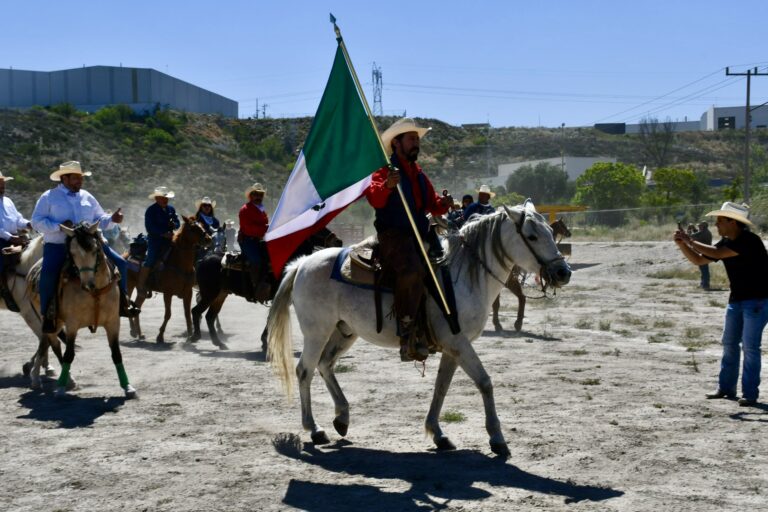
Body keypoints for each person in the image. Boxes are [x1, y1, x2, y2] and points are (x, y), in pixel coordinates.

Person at [364, 117, 452, 362]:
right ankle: (406, 328)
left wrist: (443, 204)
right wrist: (388, 186)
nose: (416, 143)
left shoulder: (419, 173)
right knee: (412, 270)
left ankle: (433, 328)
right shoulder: (384, 170)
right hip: (393, 235)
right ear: (396, 143)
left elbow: (431, 204)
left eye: (417, 139)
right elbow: (375, 198)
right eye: (411, 139)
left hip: (420, 233)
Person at [674, 202, 768, 407]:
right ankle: (726, 388)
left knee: (750, 347)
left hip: (757, 301)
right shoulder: (726, 242)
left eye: (719, 220)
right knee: (729, 344)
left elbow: (715, 255)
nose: (716, 224)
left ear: (732, 222)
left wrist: (689, 239)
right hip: (737, 300)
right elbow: (700, 261)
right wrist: (683, 245)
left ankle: (750, 394)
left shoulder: (749, 241)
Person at [31, 161, 138, 332]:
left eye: (80, 178)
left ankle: (123, 304)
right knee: (48, 275)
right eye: (75, 178)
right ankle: (48, 315)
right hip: (59, 245)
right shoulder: (48, 197)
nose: (79, 181)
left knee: (121, 263)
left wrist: (112, 220)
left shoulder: (87, 197)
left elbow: (100, 219)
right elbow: (36, 222)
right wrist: (58, 226)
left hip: (90, 244)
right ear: (64, 178)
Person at [135, 186, 180, 298]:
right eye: (163, 197)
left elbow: (177, 222)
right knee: (150, 258)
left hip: (170, 239)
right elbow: (149, 227)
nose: (166, 200)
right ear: (157, 199)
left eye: (166, 198)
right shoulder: (151, 210)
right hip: (155, 240)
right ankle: (141, 285)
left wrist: (175, 225)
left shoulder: (171, 209)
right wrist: (162, 233)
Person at [0, 170, 32, 312]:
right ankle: (4, 291)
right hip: (3, 239)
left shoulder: (8, 201)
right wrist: (12, 238)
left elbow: (18, 219)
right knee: (1, 260)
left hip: (14, 237)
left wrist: (28, 224)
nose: (2, 186)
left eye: (3, 183)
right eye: (0, 184)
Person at [238, 183, 270, 301]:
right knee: (256, 260)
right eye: (255, 194)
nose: (258, 197)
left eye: (260, 195)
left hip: (259, 239)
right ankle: (256, 287)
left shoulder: (262, 210)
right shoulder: (245, 209)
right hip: (248, 239)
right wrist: (267, 228)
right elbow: (248, 228)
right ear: (250, 196)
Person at [691, 221, 712, 290]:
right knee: (704, 269)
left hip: (704, 253)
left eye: (700, 226)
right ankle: (704, 284)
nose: (699, 227)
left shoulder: (704, 233)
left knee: (704, 269)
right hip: (706, 252)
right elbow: (696, 235)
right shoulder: (706, 232)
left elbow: (693, 236)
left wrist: (692, 230)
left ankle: (705, 285)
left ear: (703, 226)